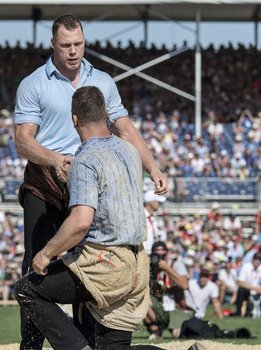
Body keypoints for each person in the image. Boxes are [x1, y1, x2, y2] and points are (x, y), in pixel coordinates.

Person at [13, 13, 167, 349]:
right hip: (46, 179)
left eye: (79, 44)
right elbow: (23, 141)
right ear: (53, 44)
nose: (73, 51)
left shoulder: (104, 82)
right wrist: (55, 160)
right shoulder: (34, 83)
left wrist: (152, 167)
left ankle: (85, 342)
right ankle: (32, 346)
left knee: (89, 260)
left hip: (90, 173)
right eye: (66, 45)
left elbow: (125, 129)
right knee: (36, 262)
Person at [144, 241, 189, 339]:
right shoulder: (151, 268)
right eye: (157, 255)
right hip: (162, 307)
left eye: (162, 255)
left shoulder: (176, 264)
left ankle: (171, 326)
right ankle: (157, 331)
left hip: (178, 309)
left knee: (177, 335)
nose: (159, 259)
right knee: (141, 301)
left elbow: (185, 285)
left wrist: (167, 268)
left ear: (167, 253)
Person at [235, 252, 261, 317]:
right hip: (248, 288)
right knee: (241, 291)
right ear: (253, 260)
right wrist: (253, 288)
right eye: (256, 259)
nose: (257, 261)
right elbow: (239, 282)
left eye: (259, 260)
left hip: (259, 289)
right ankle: (239, 312)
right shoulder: (246, 266)